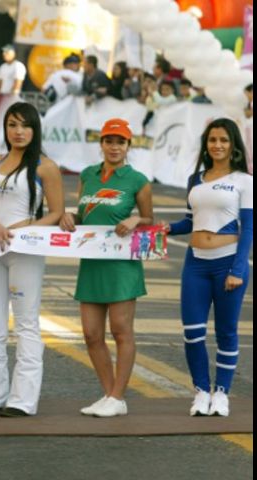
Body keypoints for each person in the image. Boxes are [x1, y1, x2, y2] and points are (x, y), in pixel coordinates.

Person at [0, 102, 65, 417]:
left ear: (35, 129)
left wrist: (27, 227)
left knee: (26, 324)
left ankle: (22, 400)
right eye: (12, 124)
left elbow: (57, 212)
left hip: (26, 253)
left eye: (25, 125)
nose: (19, 131)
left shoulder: (45, 167)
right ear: (6, 128)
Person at [58, 118, 153, 418]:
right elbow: (87, 213)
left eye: (120, 142)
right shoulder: (87, 175)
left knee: (121, 331)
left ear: (128, 146)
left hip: (122, 264)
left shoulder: (137, 180)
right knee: (91, 334)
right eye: (109, 141)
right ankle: (111, 395)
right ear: (101, 144)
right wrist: (71, 217)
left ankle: (117, 395)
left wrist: (137, 219)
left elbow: (149, 219)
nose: (114, 147)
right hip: (92, 263)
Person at [160, 118, 252, 417]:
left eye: (224, 140)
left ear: (233, 144)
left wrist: (238, 270)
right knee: (193, 331)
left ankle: (221, 392)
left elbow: (248, 228)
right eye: (212, 140)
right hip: (195, 263)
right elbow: (190, 221)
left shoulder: (244, 180)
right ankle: (201, 391)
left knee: (226, 332)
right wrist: (167, 228)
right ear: (206, 144)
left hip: (228, 263)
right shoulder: (195, 179)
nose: (218, 145)